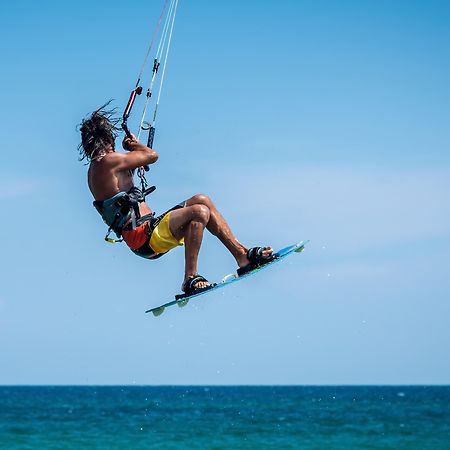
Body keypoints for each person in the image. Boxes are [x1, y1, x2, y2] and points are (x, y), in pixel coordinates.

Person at [78, 105, 274, 296]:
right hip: (142, 238)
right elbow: (151, 156)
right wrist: (134, 146)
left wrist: (132, 151)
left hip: (149, 230)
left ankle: (242, 255)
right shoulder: (106, 162)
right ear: (105, 139)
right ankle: (190, 278)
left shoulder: (100, 167)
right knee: (199, 211)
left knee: (201, 200)